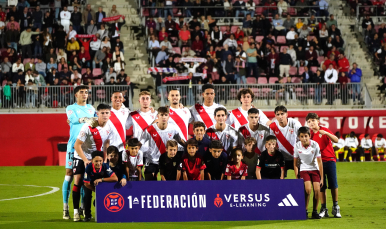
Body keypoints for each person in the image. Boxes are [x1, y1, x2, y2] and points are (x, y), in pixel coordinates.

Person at [73, 104, 113, 222]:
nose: (105, 115)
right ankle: (76, 212)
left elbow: (106, 144)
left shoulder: (110, 126)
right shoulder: (88, 126)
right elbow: (77, 145)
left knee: (93, 184)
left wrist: (105, 160)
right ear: (97, 113)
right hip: (81, 157)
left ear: (110, 114)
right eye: (102, 113)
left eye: (107, 113)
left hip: (96, 160)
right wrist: (85, 160)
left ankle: (88, 211)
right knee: (78, 182)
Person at [62, 85, 95, 220]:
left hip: (86, 147)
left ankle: (82, 207)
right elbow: (74, 119)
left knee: (82, 177)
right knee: (69, 174)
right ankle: (65, 208)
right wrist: (86, 119)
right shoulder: (71, 108)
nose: (84, 94)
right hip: (73, 146)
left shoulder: (91, 108)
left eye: (86, 92)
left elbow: (97, 121)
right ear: (76, 95)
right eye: (81, 92)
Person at [306, 113, 341, 218]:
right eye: (309, 121)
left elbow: (336, 140)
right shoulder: (309, 134)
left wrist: (326, 133)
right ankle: (324, 208)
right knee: (322, 185)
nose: (311, 123)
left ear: (318, 121)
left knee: (333, 184)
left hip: (329, 160)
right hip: (317, 163)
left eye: (313, 120)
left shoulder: (324, 129)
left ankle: (336, 207)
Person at [140, 107, 180, 181]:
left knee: (167, 184)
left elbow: (180, 140)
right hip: (152, 160)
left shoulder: (173, 128)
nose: (164, 117)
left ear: (168, 116)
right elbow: (140, 143)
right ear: (158, 116)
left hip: (167, 161)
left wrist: (187, 145)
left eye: (165, 115)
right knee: (150, 182)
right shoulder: (150, 129)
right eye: (161, 115)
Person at [294, 126, 323, 219]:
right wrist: (297, 176)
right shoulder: (297, 146)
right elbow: (295, 163)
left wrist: (322, 177)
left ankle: (315, 211)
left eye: (306, 136)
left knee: (317, 190)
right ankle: (305, 211)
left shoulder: (315, 145)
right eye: (301, 136)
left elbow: (319, 162)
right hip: (304, 169)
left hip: (314, 169)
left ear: (309, 136)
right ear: (299, 137)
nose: (304, 138)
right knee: (308, 190)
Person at [83, 151, 118, 222]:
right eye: (96, 161)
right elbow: (86, 184)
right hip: (90, 184)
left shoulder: (105, 166)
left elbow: (115, 178)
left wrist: (101, 179)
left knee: (103, 198)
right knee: (87, 196)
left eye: (100, 161)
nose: (98, 163)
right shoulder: (88, 168)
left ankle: (105, 214)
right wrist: (97, 191)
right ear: (92, 161)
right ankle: (87, 216)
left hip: (101, 184)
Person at [269, 105, 302, 177]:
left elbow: (301, 140)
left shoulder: (295, 124)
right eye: (278, 114)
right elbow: (272, 142)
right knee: (279, 180)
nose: (280, 116)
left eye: (282, 114)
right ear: (275, 115)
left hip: (296, 157)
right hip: (282, 157)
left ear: (286, 114)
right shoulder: (273, 126)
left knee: (300, 179)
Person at [167, 88, 191, 156]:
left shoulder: (186, 111)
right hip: (171, 148)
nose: (174, 97)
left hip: (184, 146)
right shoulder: (166, 112)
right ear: (168, 97)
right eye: (172, 95)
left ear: (180, 97)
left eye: (177, 95)